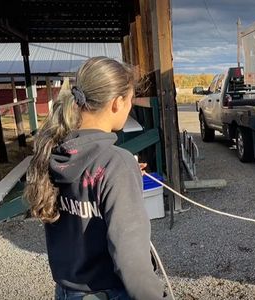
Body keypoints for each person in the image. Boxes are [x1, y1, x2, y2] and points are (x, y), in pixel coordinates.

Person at [24, 57, 169, 299]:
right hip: (108, 293)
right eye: (131, 100)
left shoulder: (55, 149)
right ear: (116, 103)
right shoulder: (116, 163)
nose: (130, 106)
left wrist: (122, 174)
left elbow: (86, 183)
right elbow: (131, 259)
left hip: (66, 290)